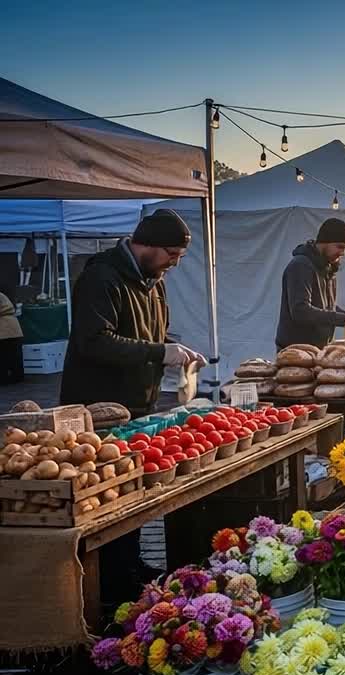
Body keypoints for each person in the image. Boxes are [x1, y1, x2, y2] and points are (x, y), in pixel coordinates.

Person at [60, 208, 207, 602]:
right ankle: (105, 580)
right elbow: (95, 341)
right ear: (146, 244)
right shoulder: (101, 277)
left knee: (134, 489)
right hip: (97, 406)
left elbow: (154, 333)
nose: (175, 263)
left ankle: (130, 564)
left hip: (138, 403)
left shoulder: (153, 280)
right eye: (172, 254)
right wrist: (161, 352)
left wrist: (179, 354)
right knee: (104, 494)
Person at [275, 218, 345, 350]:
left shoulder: (328, 267)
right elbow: (300, 311)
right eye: (340, 246)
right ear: (324, 241)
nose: (343, 253)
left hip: (319, 350)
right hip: (295, 352)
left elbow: (326, 307)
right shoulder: (301, 266)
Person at [0, 291, 23, 384]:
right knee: (14, 356)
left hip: (5, 332)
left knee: (4, 356)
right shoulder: (2, 295)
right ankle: (17, 376)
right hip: (13, 331)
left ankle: (4, 378)